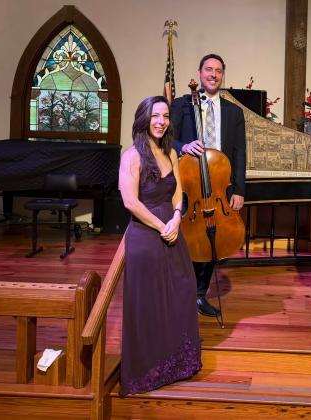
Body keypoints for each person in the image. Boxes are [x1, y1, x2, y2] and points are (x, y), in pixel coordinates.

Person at [118, 96, 202, 396]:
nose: (161, 121)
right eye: (155, 116)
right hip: (146, 236)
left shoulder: (171, 153)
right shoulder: (132, 156)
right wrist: (161, 225)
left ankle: (176, 363)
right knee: (150, 303)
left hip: (173, 232)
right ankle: (149, 370)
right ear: (144, 118)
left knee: (183, 290)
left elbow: (178, 191)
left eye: (165, 116)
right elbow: (130, 201)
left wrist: (177, 217)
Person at [171, 53, 246, 317]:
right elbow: (168, 139)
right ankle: (183, 293)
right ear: (200, 73)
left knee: (217, 242)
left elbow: (238, 153)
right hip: (191, 184)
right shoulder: (182, 105)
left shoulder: (234, 112)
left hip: (219, 187)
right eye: (208, 69)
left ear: (223, 75)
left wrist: (238, 189)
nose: (213, 74)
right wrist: (184, 146)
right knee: (189, 241)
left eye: (218, 71)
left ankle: (200, 294)